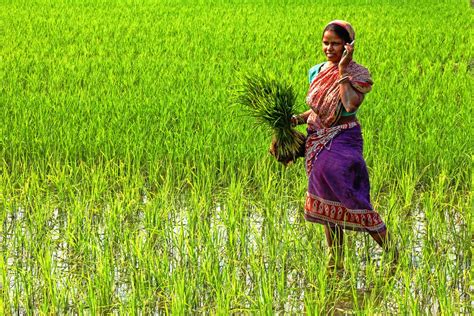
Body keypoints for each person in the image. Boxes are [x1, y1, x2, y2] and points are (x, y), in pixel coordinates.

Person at [291, 20, 397, 269]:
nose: (329, 48)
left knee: (351, 196)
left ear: (348, 45)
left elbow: (349, 104)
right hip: (316, 142)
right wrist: (296, 119)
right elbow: (318, 109)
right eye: (326, 43)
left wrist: (342, 70)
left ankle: (393, 253)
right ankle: (335, 259)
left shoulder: (358, 74)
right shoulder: (315, 71)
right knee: (327, 203)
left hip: (343, 140)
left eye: (335, 44)